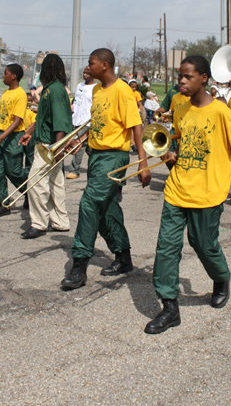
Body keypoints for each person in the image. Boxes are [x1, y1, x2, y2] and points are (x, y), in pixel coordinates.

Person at [144, 55, 231, 334]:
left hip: (209, 192)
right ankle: (169, 307)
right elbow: (183, 145)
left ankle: (221, 277)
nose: (181, 80)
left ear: (203, 79)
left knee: (203, 244)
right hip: (177, 189)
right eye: (180, 75)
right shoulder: (180, 110)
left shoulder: (220, 111)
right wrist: (170, 156)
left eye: (188, 76)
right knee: (166, 248)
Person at [60, 48, 150, 290]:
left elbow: (136, 128)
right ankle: (124, 257)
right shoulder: (97, 90)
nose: (87, 67)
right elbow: (98, 122)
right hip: (96, 155)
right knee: (106, 209)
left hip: (114, 157)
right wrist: (78, 139)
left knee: (89, 203)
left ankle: (79, 265)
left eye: (91, 63)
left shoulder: (123, 91)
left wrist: (143, 163)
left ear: (105, 66)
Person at [18, 53, 73, 239]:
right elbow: (44, 116)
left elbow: (60, 120)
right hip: (46, 142)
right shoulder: (50, 89)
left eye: (43, 67)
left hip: (49, 145)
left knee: (35, 182)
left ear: (48, 68)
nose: (41, 71)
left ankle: (39, 223)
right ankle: (60, 221)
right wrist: (29, 132)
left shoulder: (55, 90)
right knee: (55, 183)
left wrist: (57, 147)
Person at [0, 64, 29, 218]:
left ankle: (29, 192)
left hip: (12, 137)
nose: (2, 76)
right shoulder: (5, 93)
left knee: (14, 170)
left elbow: (17, 121)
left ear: (13, 76)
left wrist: (1, 137)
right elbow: (3, 115)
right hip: (0, 132)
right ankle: (3, 203)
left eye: (5, 73)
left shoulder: (20, 94)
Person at [66, 66, 96, 179]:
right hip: (76, 119)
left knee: (78, 144)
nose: (84, 75)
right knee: (88, 147)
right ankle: (99, 163)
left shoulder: (95, 88)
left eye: (87, 73)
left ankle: (74, 170)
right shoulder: (80, 86)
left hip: (86, 121)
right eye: (83, 72)